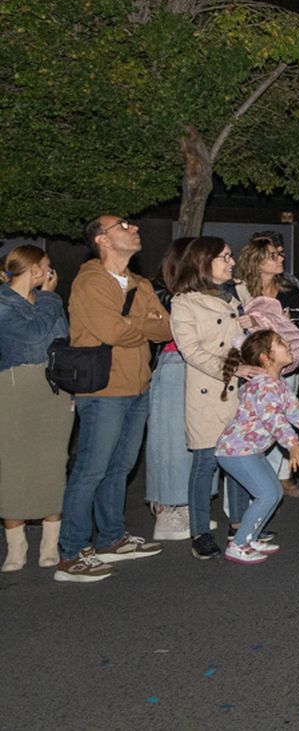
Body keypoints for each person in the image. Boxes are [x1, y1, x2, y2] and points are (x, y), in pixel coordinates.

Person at [57, 216, 173, 582]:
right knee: (91, 469)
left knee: (120, 468)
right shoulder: (90, 281)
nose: (134, 228)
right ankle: (71, 553)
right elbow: (109, 331)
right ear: (101, 240)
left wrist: (136, 324)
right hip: (104, 390)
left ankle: (111, 538)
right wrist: (144, 320)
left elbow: (166, 327)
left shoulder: (139, 283)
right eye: (122, 226)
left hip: (138, 387)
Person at [214, 330, 299, 565]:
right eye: (280, 343)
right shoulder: (263, 387)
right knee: (266, 493)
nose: (287, 344)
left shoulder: (277, 384)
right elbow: (274, 420)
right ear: (266, 357)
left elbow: (295, 411)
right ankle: (239, 544)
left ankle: (250, 537)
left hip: (248, 451)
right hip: (236, 452)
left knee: (272, 492)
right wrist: (293, 444)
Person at [171, 236, 250, 559]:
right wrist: (234, 368)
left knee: (241, 460)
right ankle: (200, 532)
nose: (231, 262)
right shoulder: (184, 302)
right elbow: (191, 351)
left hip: (240, 391)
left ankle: (241, 524)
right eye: (224, 257)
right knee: (206, 463)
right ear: (203, 263)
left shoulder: (236, 294)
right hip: (209, 391)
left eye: (231, 256)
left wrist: (251, 325)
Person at [0, 246, 73, 573]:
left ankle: (49, 543)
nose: (50, 271)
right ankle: (16, 547)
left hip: (54, 387)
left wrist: (46, 302)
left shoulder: (46, 302)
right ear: (33, 268)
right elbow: (32, 340)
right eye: (46, 266)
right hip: (15, 388)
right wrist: (49, 299)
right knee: (13, 464)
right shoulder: (4, 302)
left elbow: (61, 339)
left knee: (54, 462)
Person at [235, 235, 299, 498]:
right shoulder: (238, 289)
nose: (280, 258)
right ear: (256, 261)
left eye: (280, 254)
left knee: (284, 417)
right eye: (273, 255)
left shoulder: (288, 288)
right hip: (253, 366)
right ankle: (259, 482)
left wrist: (281, 324)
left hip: (286, 363)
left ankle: (281, 478)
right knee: (256, 422)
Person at [146, 238, 195, 539]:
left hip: (193, 365)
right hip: (172, 363)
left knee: (191, 440)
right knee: (169, 441)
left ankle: (186, 505)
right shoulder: (160, 290)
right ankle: (165, 512)